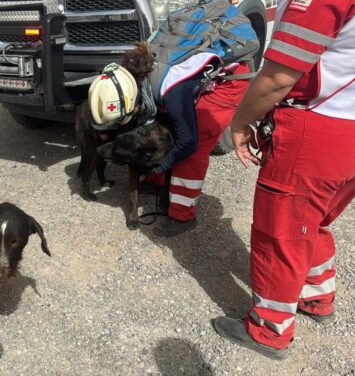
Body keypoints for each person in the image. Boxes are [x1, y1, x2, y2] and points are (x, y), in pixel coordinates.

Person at [214, 0, 355, 360]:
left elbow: (278, 77)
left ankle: (268, 329)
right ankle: (317, 296)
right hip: (347, 130)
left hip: (318, 127)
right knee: (315, 218)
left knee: (281, 231)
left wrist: (239, 121)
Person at [151, 61, 252, 237]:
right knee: (166, 126)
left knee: (194, 146)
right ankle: (157, 181)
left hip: (226, 80)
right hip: (202, 70)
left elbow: (187, 143)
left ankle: (182, 215)